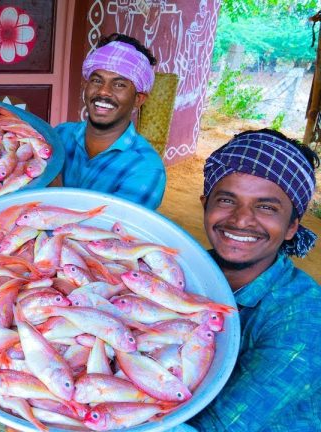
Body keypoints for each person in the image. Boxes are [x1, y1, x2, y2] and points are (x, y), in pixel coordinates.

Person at [187, 129, 321, 430]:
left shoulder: (306, 318)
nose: (241, 219)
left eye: (266, 207)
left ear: (291, 227)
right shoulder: (182, 270)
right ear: (205, 204)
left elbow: (219, 426)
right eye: (226, 200)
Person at [56, 33, 166, 210]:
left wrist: (53, 182)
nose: (103, 92)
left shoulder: (145, 169)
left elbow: (109, 232)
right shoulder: (61, 134)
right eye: (97, 80)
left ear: (138, 99)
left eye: (119, 84)